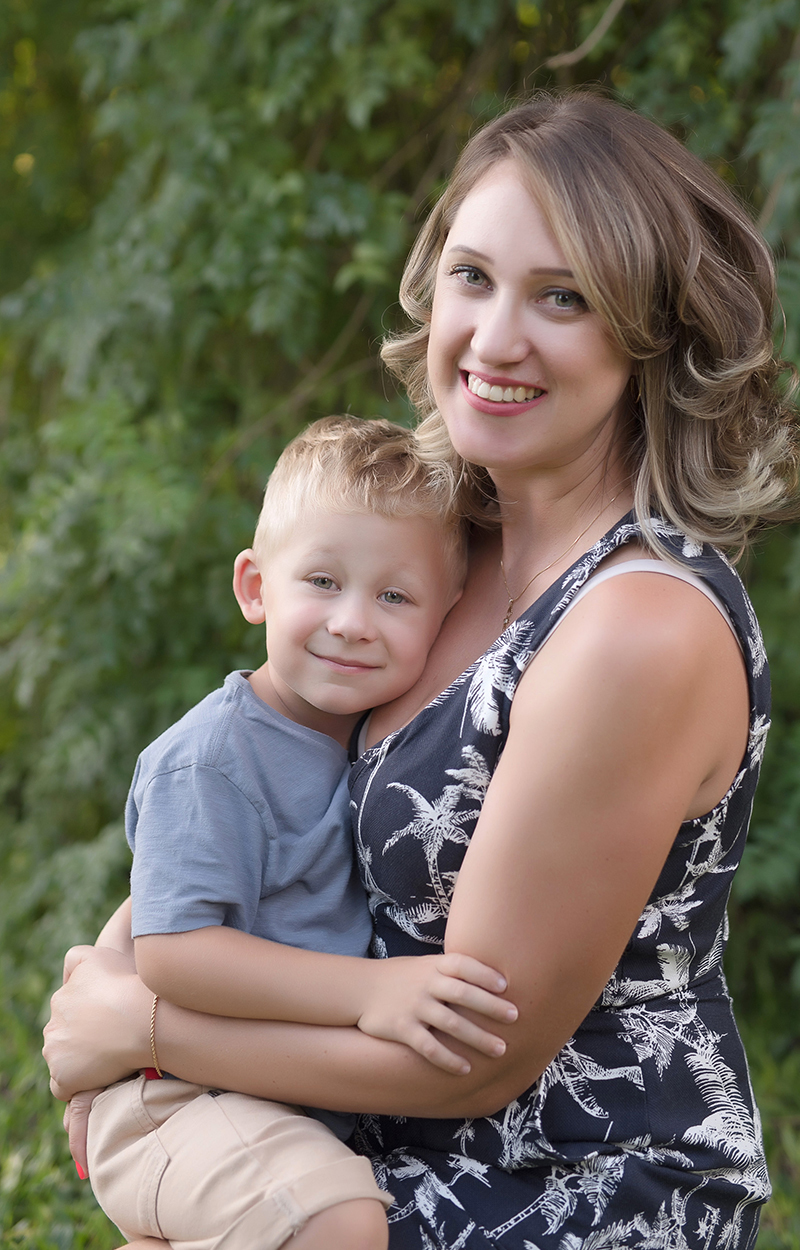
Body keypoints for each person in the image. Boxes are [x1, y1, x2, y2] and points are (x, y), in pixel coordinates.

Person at [44, 91, 800, 1249]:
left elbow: (471, 1061)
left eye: (562, 296)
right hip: (358, 1156)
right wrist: (129, 981)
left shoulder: (634, 626)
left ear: (647, 331)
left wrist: (144, 1028)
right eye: (471, 277)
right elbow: (261, 766)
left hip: (572, 1192)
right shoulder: (435, 557)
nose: (494, 338)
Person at [77, 415, 517, 1250]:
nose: (353, 621)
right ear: (255, 588)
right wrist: (372, 995)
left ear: (448, 617)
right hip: (179, 1097)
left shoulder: (371, 740)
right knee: (337, 1222)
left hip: (264, 1104)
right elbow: (174, 951)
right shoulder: (211, 758)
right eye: (322, 580)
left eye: (394, 596)